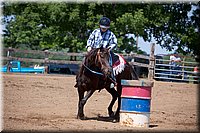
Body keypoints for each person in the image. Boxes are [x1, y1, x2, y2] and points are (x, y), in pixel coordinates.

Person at [86, 17, 117, 88]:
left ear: (108, 27)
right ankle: (80, 77)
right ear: (99, 25)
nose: (103, 29)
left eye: (105, 27)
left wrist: (109, 48)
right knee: (85, 61)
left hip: (105, 52)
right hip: (94, 51)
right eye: (102, 27)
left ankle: (112, 80)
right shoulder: (95, 32)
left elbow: (114, 43)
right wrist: (89, 46)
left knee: (109, 64)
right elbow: (90, 39)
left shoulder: (111, 34)